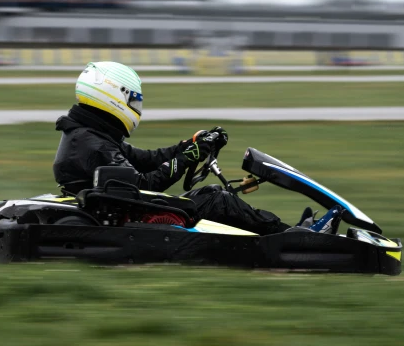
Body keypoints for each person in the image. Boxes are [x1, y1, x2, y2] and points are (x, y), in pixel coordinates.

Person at [52, 61, 344, 235]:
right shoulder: (90, 142)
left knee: (214, 195)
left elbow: (144, 160)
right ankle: (295, 237)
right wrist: (188, 156)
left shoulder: (89, 135)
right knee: (217, 199)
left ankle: (290, 232)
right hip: (136, 216)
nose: (136, 109)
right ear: (114, 97)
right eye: (134, 102)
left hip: (128, 210)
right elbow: (143, 185)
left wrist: (189, 146)